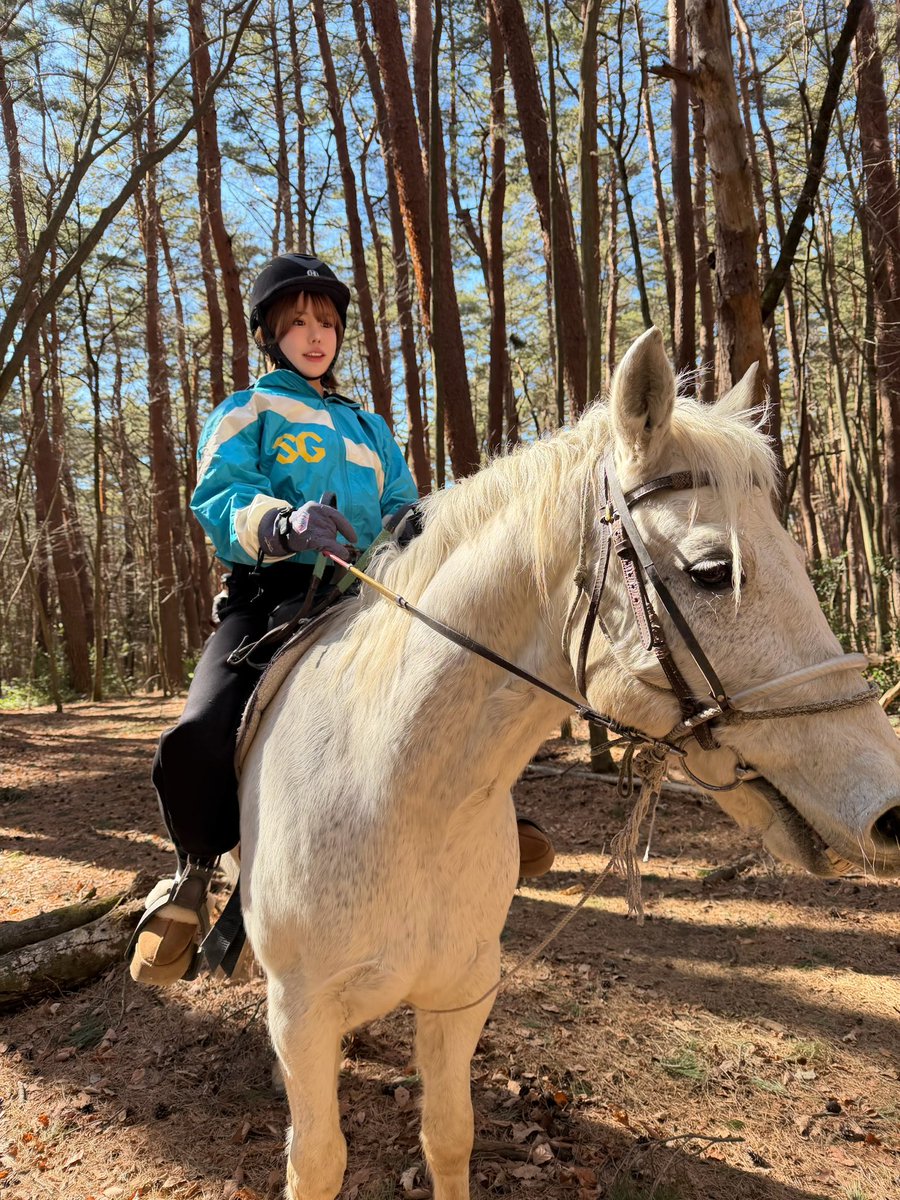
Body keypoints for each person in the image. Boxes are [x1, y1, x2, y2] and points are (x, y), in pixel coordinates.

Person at [130, 253, 554, 987]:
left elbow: (403, 507)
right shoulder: (247, 411)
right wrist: (281, 524)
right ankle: (192, 874)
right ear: (271, 332)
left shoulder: (370, 426)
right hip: (272, 598)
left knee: (466, 683)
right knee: (200, 732)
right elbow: (222, 493)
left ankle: (489, 818)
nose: (314, 334)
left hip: (369, 597)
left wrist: (428, 531)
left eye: (325, 321)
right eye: (297, 322)